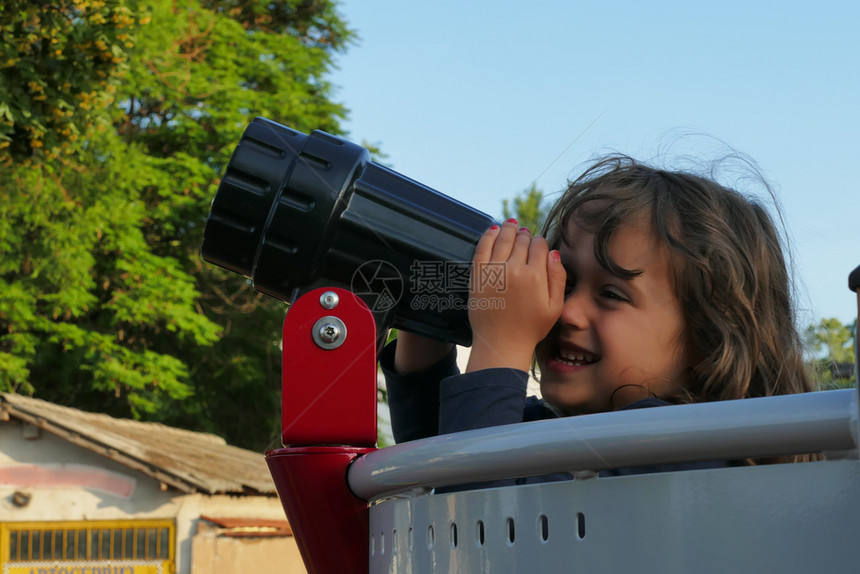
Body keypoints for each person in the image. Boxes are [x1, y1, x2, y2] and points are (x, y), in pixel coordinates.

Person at [379, 154, 815, 477]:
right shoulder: (554, 431)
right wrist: (427, 324)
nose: (566, 311)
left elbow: (478, 523)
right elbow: (436, 456)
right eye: (563, 281)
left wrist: (500, 345)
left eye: (611, 293)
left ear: (709, 341)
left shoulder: (681, 453)